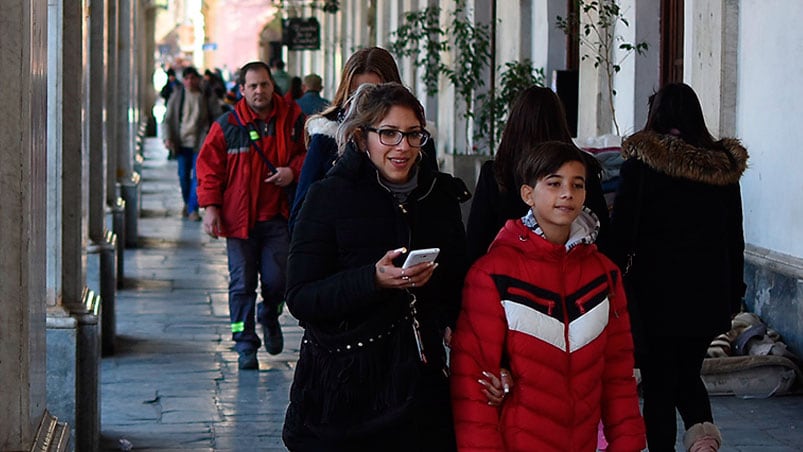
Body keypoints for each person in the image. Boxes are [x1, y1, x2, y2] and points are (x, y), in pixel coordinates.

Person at [282, 82, 471, 451]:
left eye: (413, 135)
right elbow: (301, 297)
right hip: (344, 390)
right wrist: (372, 279)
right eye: (388, 134)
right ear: (361, 137)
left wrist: (451, 320)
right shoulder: (328, 197)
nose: (402, 146)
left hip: (418, 389)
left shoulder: (439, 197)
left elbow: (458, 281)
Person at [450, 141, 646, 451]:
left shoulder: (604, 275)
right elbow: (472, 383)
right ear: (528, 194)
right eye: (554, 183)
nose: (567, 192)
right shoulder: (493, 273)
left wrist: (627, 443)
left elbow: (618, 374)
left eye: (577, 184)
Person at [610, 83, 748, 452]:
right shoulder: (722, 170)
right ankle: (704, 444)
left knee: (659, 381)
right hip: (709, 296)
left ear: (656, 116)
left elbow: (622, 232)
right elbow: (735, 238)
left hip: (655, 296)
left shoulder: (642, 166)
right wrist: (735, 292)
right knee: (686, 374)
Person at [195, 61, 306, 369]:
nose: (260, 91)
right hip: (238, 221)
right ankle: (245, 345)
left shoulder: (294, 120)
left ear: (273, 86)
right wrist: (211, 209)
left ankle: (269, 314)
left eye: (264, 85)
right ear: (241, 90)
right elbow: (208, 170)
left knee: (278, 280)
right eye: (253, 86)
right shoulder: (227, 126)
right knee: (241, 284)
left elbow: (308, 154)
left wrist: (290, 171)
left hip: (278, 218)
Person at [288, 46, 437, 232]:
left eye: (374, 94)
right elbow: (300, 221)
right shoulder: (327, 136)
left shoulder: (417, 138)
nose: (363, 105)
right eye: (355, 95)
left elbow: (434, 205)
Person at [465, 85, 611, 264]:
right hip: (572, 274)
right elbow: (602, 235)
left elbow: (476, 241)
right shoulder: (582, 167)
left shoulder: (498, 171)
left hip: (508, 276)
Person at [163, 66, 223, 220]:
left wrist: (213, 134)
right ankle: (188, 203)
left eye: (192, 78)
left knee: (198, 176)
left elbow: (217, 114)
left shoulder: (206, 94)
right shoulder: (177, 95)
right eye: (187, 78)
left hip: (200, 142)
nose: (190, 81)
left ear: (198, 79)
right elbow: (168, 119)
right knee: (183, 176)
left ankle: (192, 209)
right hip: (182, 142)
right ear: (183, 80)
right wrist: (167, 137)